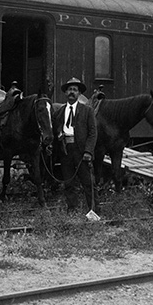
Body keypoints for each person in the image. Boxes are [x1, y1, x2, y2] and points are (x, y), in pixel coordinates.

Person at [53, 77, 100, 216]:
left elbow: (93, 133)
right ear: (65, 93)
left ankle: (93, 211)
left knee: (88, 183)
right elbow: (55, 129)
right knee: (68, 183)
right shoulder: (60, 112)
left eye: (74, 90)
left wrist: (88, 151)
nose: (71, 92)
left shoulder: (87, 111)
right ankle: (72, 210)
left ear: (79, 94)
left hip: (82, 151)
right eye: (69, 90)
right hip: (66, 151)